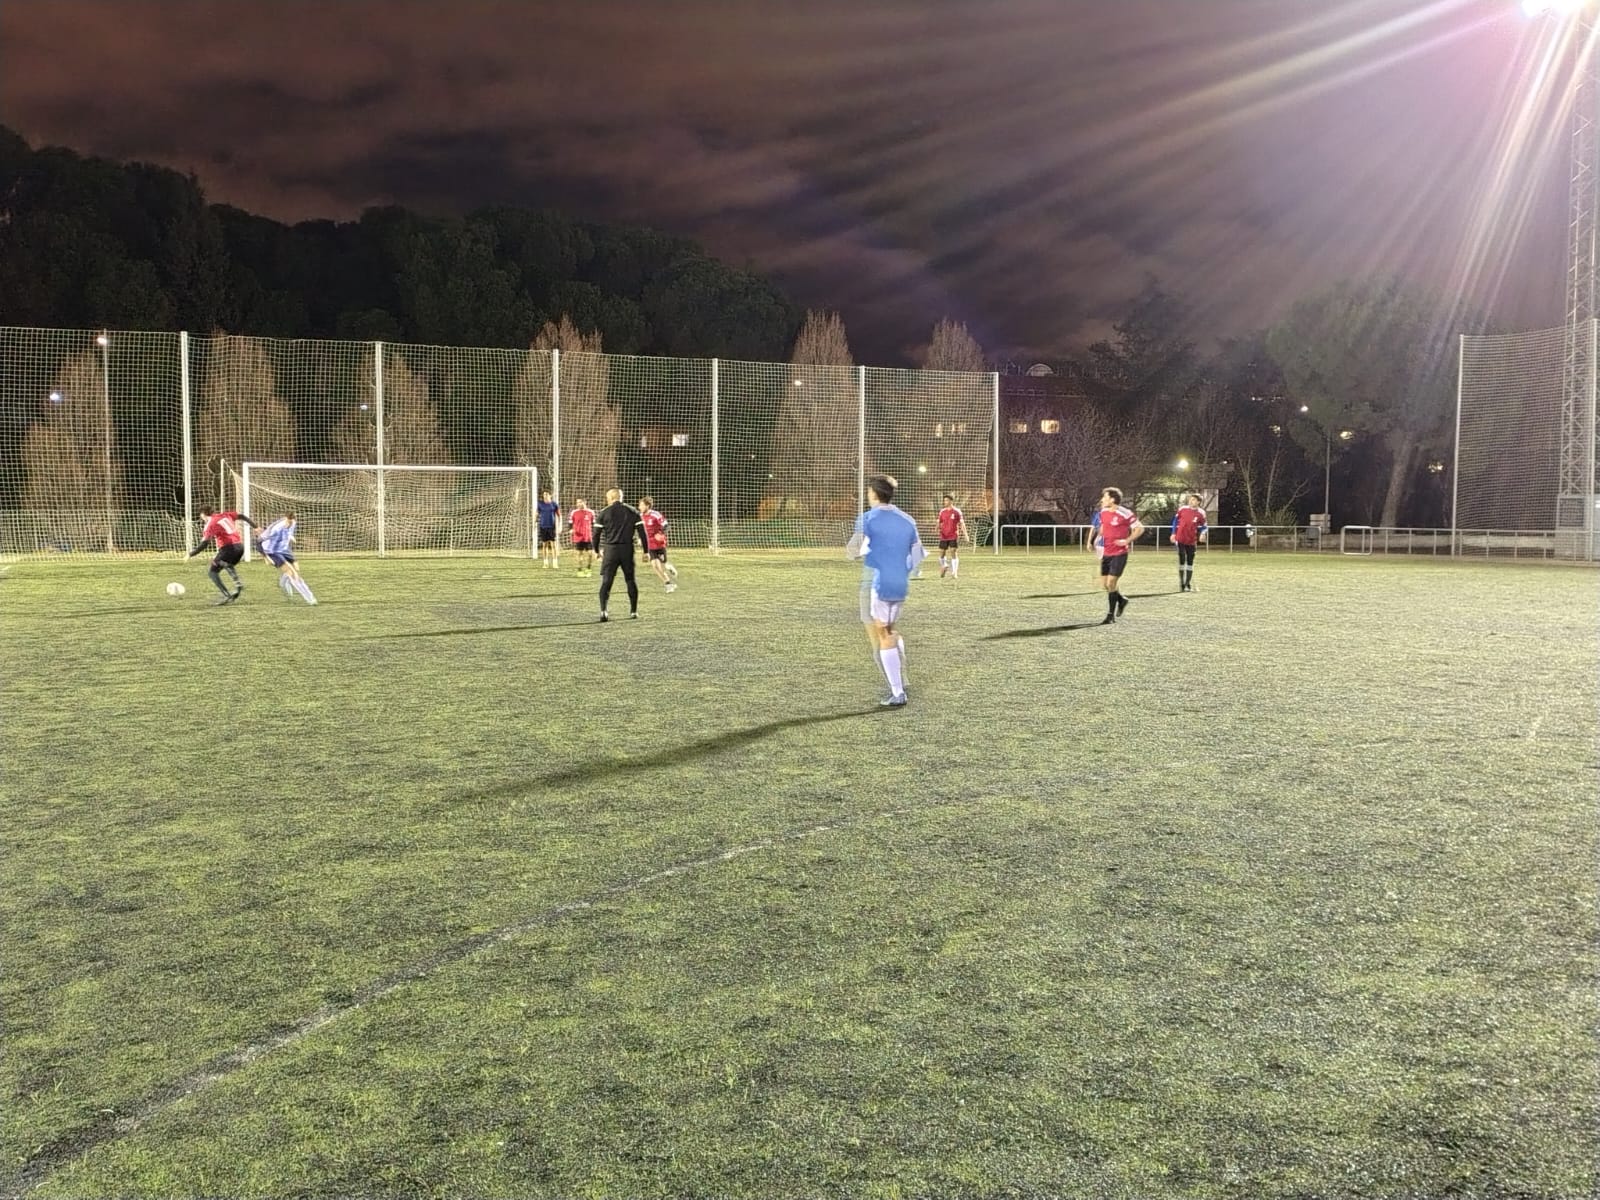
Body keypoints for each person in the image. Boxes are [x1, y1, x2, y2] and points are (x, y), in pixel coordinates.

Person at [847, 474, 924, 707]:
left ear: (873, 493)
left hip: (876, 583)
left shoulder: (868, 518)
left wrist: (861, 552)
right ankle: (901, 675)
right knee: (889, 630)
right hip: (899, 582)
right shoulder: (907, 519)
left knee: (881, 636)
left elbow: (852, 550)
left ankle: (898, 691)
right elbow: (917, 555)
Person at [1090, 487, 1143, 624]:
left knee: (1111, 583)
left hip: (1119, 553)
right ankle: (1121, 599)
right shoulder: (1103, 512)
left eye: (1105, 497)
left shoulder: (1125, 513)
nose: (1102, 500)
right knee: (1105, 585)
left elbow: (1139, 528)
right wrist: (1096, 539)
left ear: (1112, 500)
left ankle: (1110, 616)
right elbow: (1103, 527)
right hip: (1107, 552)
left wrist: (1127, 541)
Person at [594, 487, 649, 622]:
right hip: (627, 550)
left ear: (611, 498)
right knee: (630, 580)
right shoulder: (632, 511)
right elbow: (643, 533)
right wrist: (646, 551)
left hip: (610, 550)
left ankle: (603, 611)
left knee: (607, 581)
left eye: (607, 498)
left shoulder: (604, 512)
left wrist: (596, 550)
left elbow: (596, 535)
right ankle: (633, 611)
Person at [188, 506, 258, 605]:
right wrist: (255, 527)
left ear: (203, 515)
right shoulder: (225, 515)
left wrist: (191, 554)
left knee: (212, 572)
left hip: (228, 549)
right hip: (240, 548)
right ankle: (237, 582)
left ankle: (227, 595)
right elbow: (242, 516)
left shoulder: (210, 524)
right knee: (225, 563)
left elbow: (204, 544)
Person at [257, 512, 317, 605]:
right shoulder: (275, 529)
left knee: (296, 568)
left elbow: (288, 533)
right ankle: (310, 599)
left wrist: (290, 537)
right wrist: (265, 558)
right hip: (272, 551)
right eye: (289, 521)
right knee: (292, 573)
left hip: (284, 548)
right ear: (286, 518)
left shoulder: (293, 523)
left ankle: (283, 582)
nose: (290, 523)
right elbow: (258, 542)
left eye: (292, 521)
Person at [639, 496, 679, 593]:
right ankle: (668, 584)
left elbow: (667, 526)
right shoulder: (640, 516)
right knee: (655, 566)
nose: (639, 507)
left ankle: (668, 566)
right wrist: (640, 539)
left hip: (659, 544)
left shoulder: (656, 515)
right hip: (649, 545)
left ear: (647, 506)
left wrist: (660, 534)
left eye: (641, 505)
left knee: (663, 564)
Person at [1171, 493, 1208, 592]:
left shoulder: (1201, 513)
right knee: (1182, 559)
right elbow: (1175, 521)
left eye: (1194, 500)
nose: (1191, 501)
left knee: (1190, 562)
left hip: (1191, 541)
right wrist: (1173, 533)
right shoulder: (1182, 509)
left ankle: (1187, 583)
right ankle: (1182, 584)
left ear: (1198, 502)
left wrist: (1203, 533)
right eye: (1191, 499)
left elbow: (1204, 526)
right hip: (1180, 539)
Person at [936, 494, 968, 581]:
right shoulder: (942, 511)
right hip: (944, 535)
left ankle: (954, 572)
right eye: (944, 500)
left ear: (951, 501)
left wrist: (966, 535)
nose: (945, 502)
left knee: (953, 551)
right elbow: (939, 521)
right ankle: (944, 566)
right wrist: (936, 528)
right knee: (942, 553)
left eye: (946, 500)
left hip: (953, 535)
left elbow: (962, 523)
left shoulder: (957, 511)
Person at [568, 499, 596, 577]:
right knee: (579, 554)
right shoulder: (574, 512)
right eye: (577, 502)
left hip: (588, 537)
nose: (578, 504)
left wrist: (594, 533)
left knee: (590, 554)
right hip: (578, 537)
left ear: (584, 502)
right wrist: (571, 529)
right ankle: (579, 570)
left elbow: (594, 524)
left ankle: (588, 569)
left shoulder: (591, 512)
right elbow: (570, 522)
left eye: (580, 502)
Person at [537, 490, 561, 569]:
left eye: (547, 494)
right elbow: (537, 513)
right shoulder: (540, 504)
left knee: (553, 545)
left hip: (551, 527)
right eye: (544, 494)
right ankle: (545, 563)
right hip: (543, 527)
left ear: (550, 495)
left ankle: (555, 563)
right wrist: (534, 522)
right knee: (544, 545)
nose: (545, 496)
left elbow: (559, 515)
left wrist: (560, 525)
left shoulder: (554, 504)